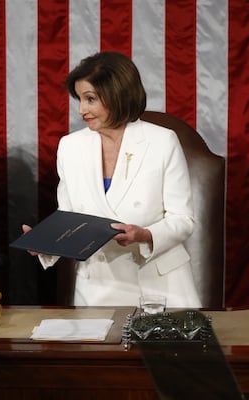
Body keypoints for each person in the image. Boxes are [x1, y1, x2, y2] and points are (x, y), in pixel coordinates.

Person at [24, 51, 201, 308]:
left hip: (160, 286)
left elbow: (183, 220)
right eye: (80, 99)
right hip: (98, 287)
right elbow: (70, 218)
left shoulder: (163, 141)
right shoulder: (70, 146)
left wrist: (146, 234)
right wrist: (46, 243)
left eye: (90, 99)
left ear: (118, 94)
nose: (81, 109)